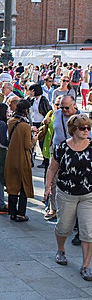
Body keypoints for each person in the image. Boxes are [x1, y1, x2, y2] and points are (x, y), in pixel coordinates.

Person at [45, 114, 92, 281]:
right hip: (66, 193)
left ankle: (86, 266)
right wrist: (47, 187)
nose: (86, 130)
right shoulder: (62, 148)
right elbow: (52, 169)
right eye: (82, 128)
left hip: (88, 195)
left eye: (88, 127)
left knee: (88, 231)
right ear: (73, 130)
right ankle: (61, 249)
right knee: (64, 227)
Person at [4, 99, 38, 222]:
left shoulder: (11, 121)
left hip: (11, 157)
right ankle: (21, 213)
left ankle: (12, 212)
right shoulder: (25, 125)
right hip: (22, 159)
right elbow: (27, 145)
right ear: (26, 110)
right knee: (23, 186)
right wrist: (35, 138)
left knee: (12, 186)